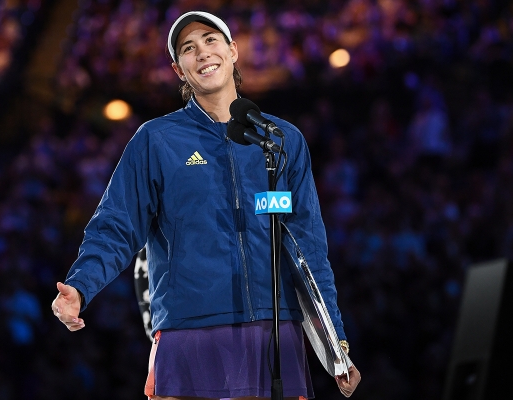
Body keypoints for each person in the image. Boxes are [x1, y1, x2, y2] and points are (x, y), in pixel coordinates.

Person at [51, 10, 361, 399]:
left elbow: (309, 248)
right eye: (188, 48)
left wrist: (336, 345)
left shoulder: (282, 139)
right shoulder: (156, 140)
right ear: (178, 70)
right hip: (189, 332)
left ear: (233, 51)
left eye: (211, 40)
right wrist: (80, 287)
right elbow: (116, 225)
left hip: (275, 331)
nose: (202, 52)